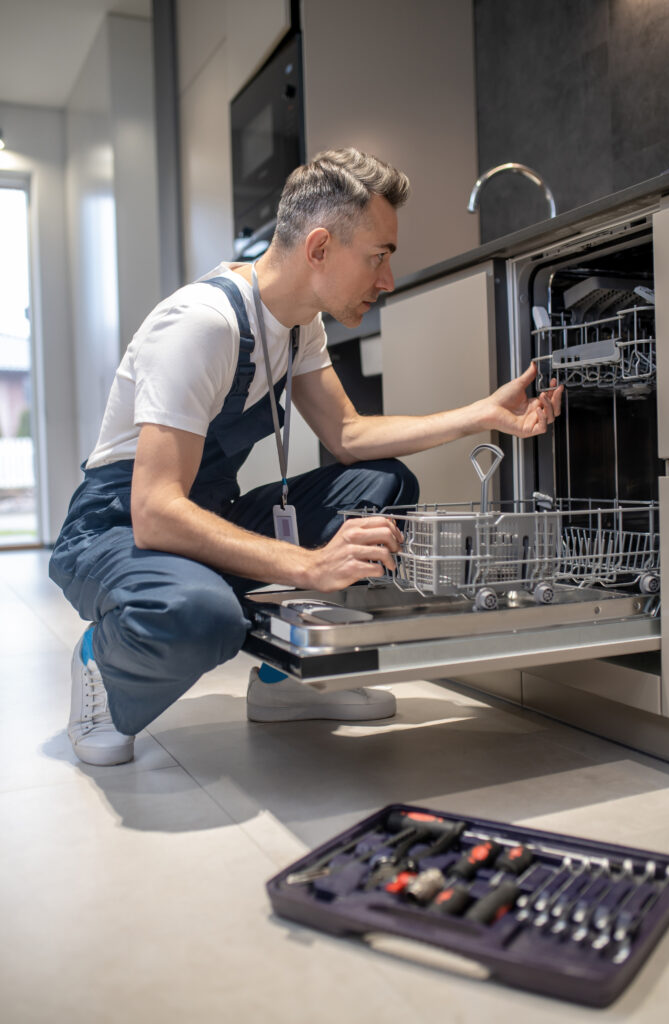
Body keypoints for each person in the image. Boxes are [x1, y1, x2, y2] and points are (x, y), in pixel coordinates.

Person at [49, 148, 562, 767]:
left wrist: (482, 414)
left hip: (205, 513)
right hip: (117, 530)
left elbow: (347, 434)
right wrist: (308, 565)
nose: (387, 281)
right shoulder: (200, 325)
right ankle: (102, 664)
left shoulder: (298, 324)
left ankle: (280, 685)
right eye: (378, 258)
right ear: (319, 248)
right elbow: (156, 511)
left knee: (380, 485)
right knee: (204, 616)